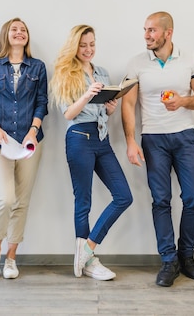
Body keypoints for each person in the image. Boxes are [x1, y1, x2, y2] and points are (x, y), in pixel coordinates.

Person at [121, 11, 194, 287]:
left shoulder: (190, 58)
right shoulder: (136, 63)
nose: (146, 35)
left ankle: (187, 255)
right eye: (145, 30)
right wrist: (131, 141)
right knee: (161, 200)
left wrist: (183, 101)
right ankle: (168, 260)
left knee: (193, 197)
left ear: (168, 33)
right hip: (154, 139)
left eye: (152, 31)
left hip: (184, 137)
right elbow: (128, 103)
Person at [50, 25, 133, 281]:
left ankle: (87, 249)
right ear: (75, 46)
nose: (88, 50)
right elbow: (68, 114)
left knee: (123, 196)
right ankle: (89, 263)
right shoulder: (65, 72)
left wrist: (110, 108)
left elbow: (103, 112)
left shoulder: (103, 72)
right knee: (83, 201)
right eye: (83, 45)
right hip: (79, 139)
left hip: (102, 139)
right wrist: (87, 95)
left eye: (92, 44)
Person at [0, 17, 48, 281]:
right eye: (14, 29)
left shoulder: (38, 67)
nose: (19, 33)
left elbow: (42, 101)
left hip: (29, 141)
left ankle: (11, 258)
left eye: (23, 30)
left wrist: (33, 130)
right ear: (6, 35)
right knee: (5, 198)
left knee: (21, 201)